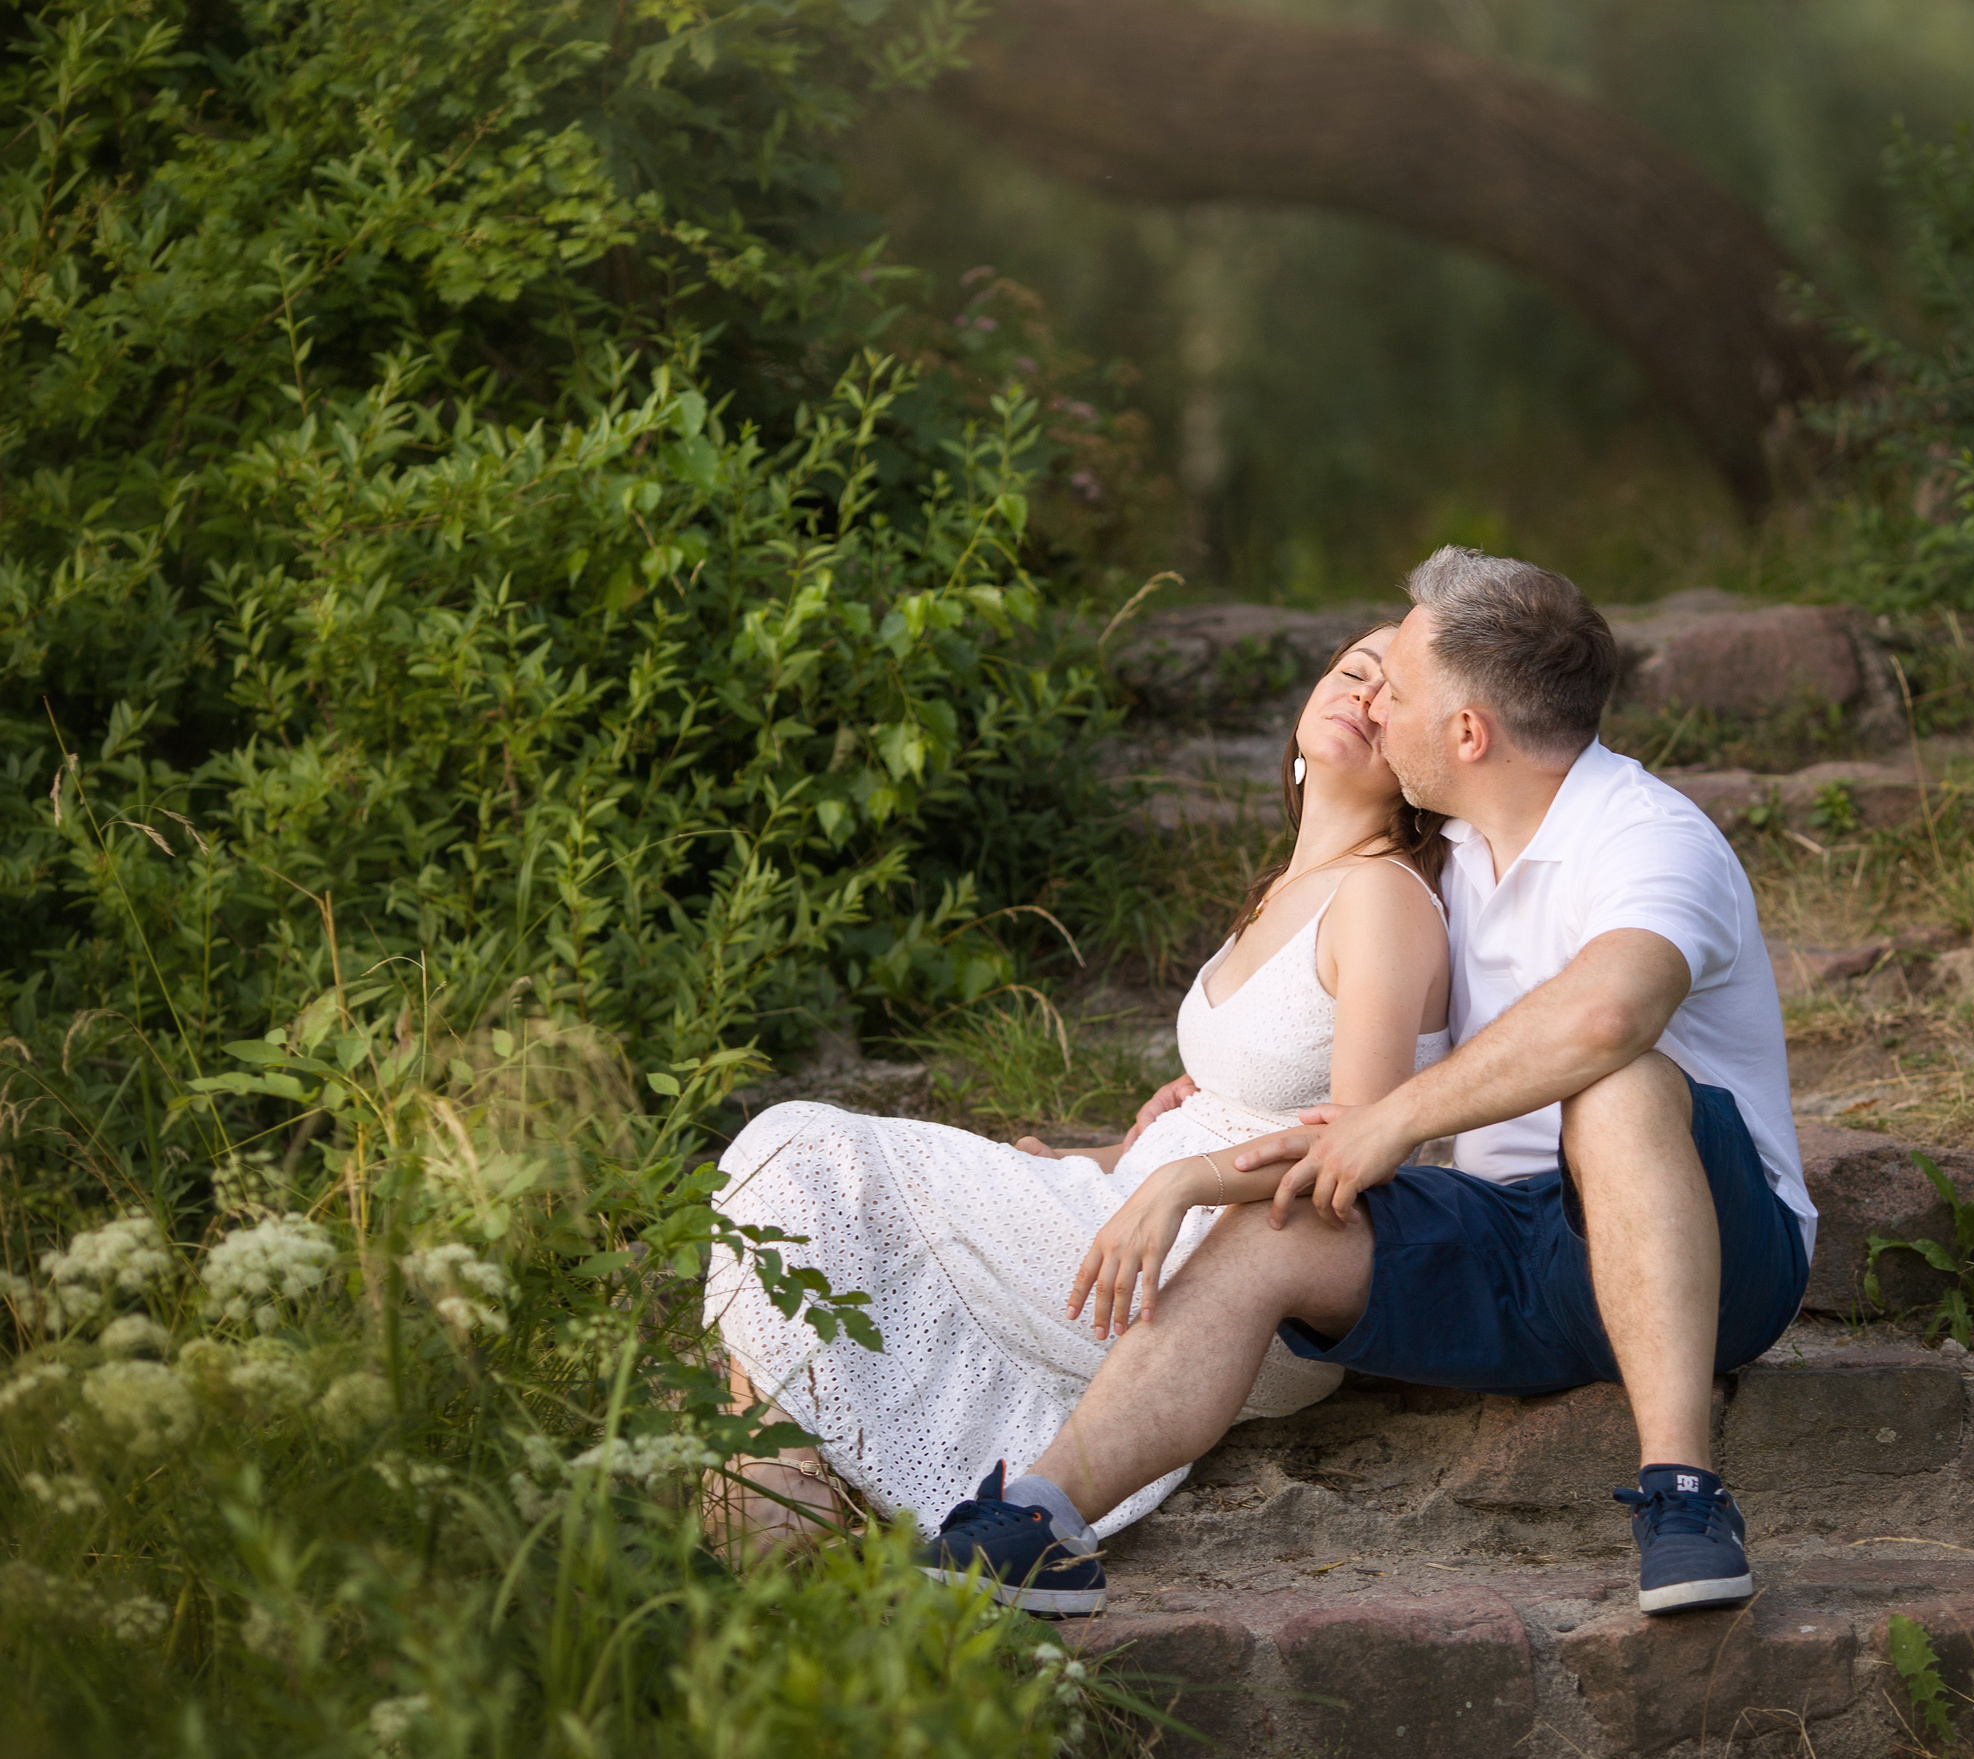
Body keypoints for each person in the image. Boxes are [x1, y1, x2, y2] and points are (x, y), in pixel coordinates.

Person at [924, 546, 1815, 1618]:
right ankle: (1041, 1517)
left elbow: (1605, 1014)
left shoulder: (1646, 838)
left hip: (1717, 1253)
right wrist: (1180, 1157)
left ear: (1468, 734)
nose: (1371, 707)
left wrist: (1389, 1123)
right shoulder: (1453, 855)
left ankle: (1683, 1493)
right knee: (1277, 1228)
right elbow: (1327, 1064)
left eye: (1392, 689)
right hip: (1519, 1248)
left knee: (1614, 1083)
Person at [700, 624, 1453, 1594]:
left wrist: (1184, 1175)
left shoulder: (1382, 899)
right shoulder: (1285, 890)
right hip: (1138, 1199)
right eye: (1351, 668)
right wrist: (1087, 1154)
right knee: (799, 1170)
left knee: (790, 1147)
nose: (1360, 691)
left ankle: (767, 1498)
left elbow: (1360, 1142)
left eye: (1389, 691)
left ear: (1423, 757)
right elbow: (1226, 1100)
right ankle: (783, 1486)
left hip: (1228, 1263)